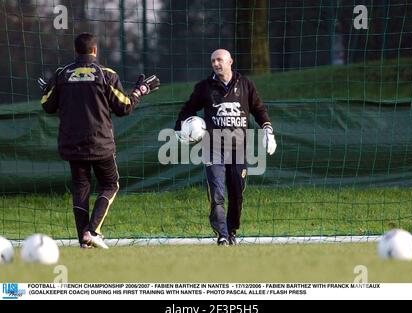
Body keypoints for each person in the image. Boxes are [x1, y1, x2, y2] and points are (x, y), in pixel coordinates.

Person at [39, 32, 160, 249]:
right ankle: (92, 231)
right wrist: (141, 90)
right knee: (110, 184)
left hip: (71, 145)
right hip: (100, 144)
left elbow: (47, 105)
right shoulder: (106, 74)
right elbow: (124, 107)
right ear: (95, 50)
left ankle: (83, 240)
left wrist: (48, 90)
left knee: (81, 189)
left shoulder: (61, 74)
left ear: (76, 51)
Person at [174, 49, 276, 246]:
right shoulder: (204, 87)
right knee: (217, 193)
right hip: (214, 148)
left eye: (219, 60)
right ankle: (221, 235)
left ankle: (232, 231)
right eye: (212, 60)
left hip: (239, 148)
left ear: (230, 61)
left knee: (237, 193)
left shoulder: (245, 84)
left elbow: (259, 110)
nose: (215, 63)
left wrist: (268, 131)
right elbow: (188, 108)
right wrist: (179, 128)